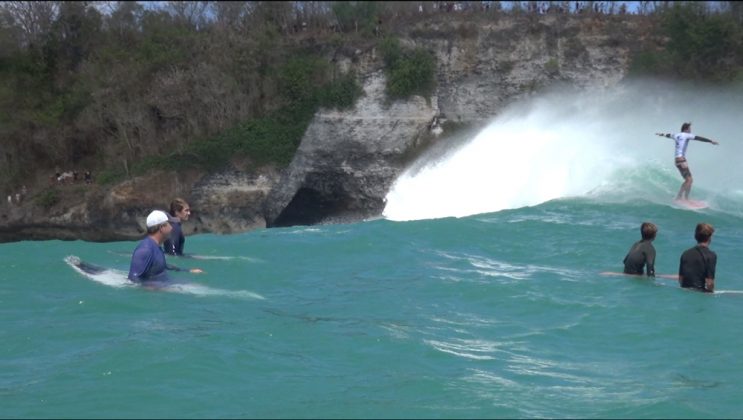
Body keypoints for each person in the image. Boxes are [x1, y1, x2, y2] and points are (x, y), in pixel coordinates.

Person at [128, 210, 202, 283]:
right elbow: (133, 279)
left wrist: (187, 270)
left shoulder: (156, 247)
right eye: (169, 224)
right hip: (155, 290)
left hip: (163, 284)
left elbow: (162, 265)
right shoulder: (145, 249)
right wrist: (150, 288)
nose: (172, 228)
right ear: (161, 228)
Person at [656, 122, 719, 201]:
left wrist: (660, 134)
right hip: (682, 160)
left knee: (689, 180)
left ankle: (685, 198)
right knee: (689, 180)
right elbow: (698, 138)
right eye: (690, 129)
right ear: (686, 129)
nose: (690, 130)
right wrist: (710, 141)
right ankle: (679, 197)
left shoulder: (676, 135)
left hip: (677, 160)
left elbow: (668, 135)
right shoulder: (686, 135)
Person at [678, 223, 717, 293]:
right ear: (709, 238)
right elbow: (709, 282)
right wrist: (711, 292)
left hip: (684, 291)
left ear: (695, 236)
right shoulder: (711, 255)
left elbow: (681, 279)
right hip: (700, 292)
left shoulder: (685, 253)